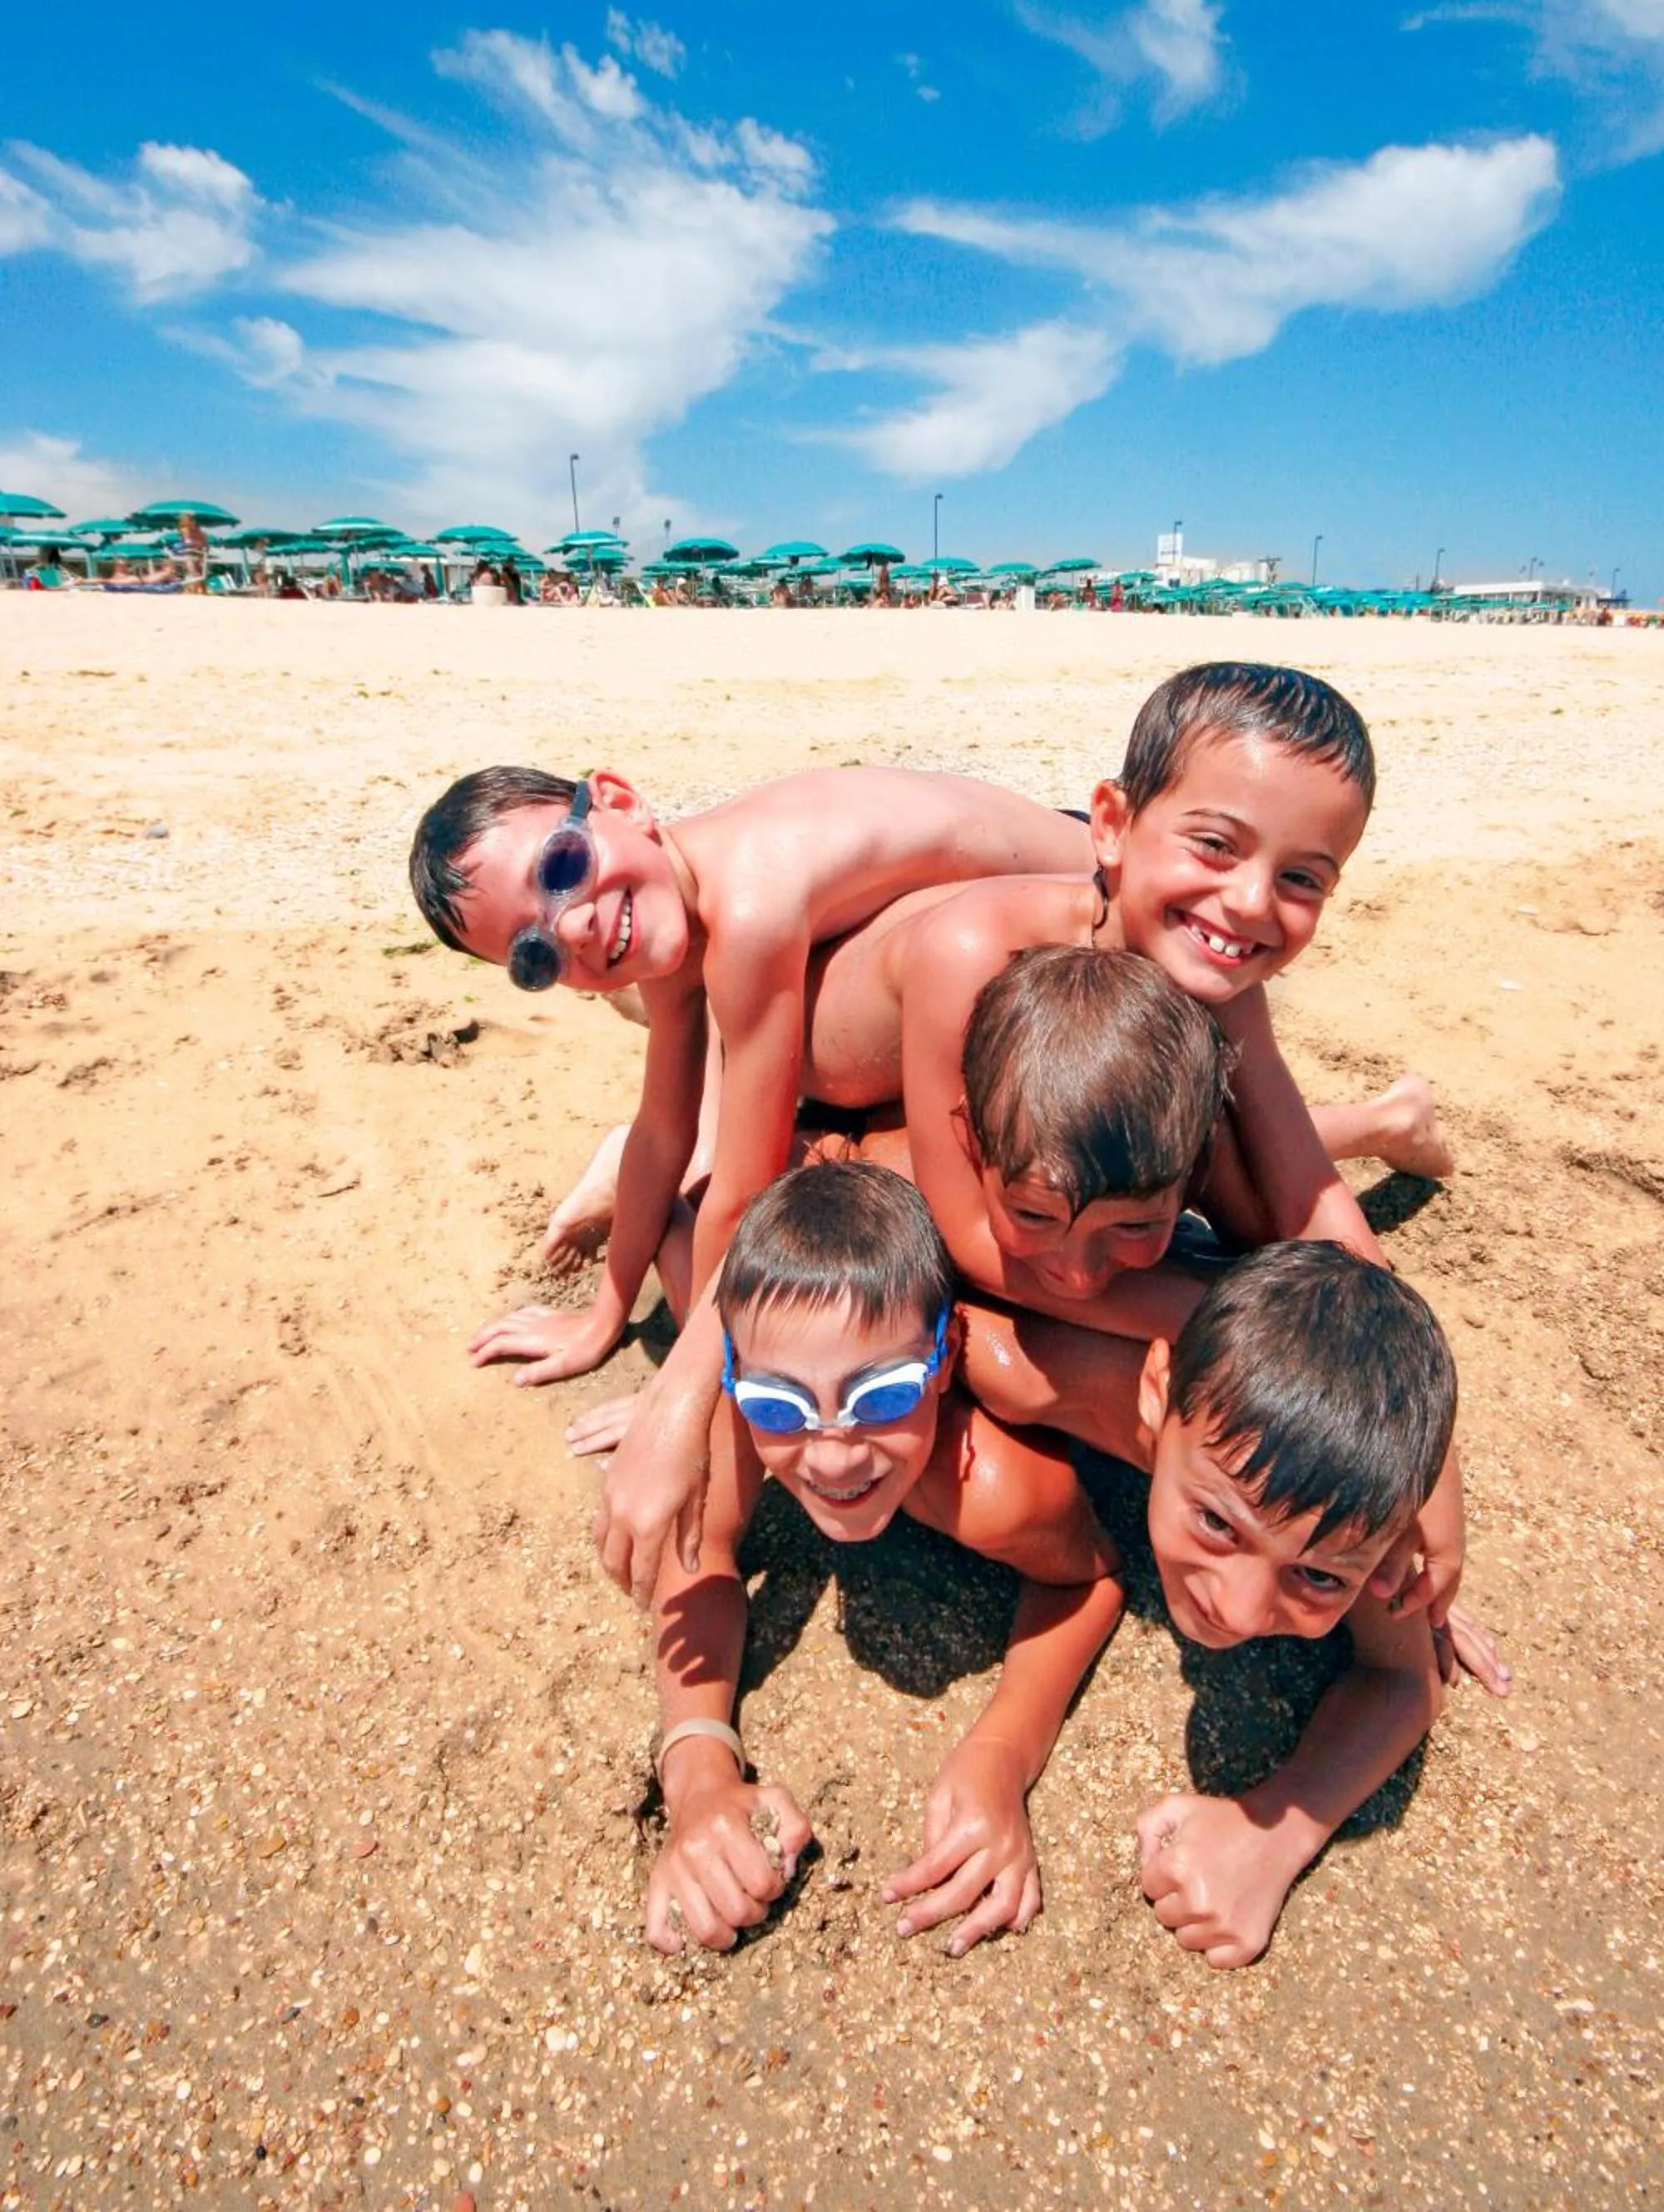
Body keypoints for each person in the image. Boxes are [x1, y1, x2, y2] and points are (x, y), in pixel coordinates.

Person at [592, 665, 1465, 1607]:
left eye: (1300, 878)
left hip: (1022, 1134)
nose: (1250, 902)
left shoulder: (1215, 964)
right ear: (1112, 827)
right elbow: (963, 1234)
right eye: (1216, 846)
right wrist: (679, 1400)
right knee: (1028, 1285)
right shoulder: (972, 954)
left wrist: (1423, 1455)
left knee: (1248, 1197)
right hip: (828, 1097)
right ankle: (1374, 1122)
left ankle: (1378, 1122)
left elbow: (1304, 1198)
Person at [408, 765, 1095, 1387]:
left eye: (560, 868)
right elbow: (659, 1127)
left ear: (619, 801)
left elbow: (741, 1197)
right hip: (1011, 888)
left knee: (804, 1046)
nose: (576, 924)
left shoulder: (749, 903)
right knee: (719, 1028)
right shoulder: (681, 893)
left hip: (1093, 890)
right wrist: (602, 1317)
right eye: (536, 953)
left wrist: (688, 1390)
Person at [955, 1240, 1495, 1967]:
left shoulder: (1357, 1517)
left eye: (1318, 1577)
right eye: (1215, 1523)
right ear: (1158, 1393)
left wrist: (1275, 1828)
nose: (1238, 1613)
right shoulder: (1028, 1373)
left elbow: (1404, 1679)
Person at [645, 1160, 1123, 1957]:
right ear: (736, 1380)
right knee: (676, 1239)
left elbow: (1088, 1577)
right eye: (778, 1404)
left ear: (943, 1360)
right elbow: (696, 1554)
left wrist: (1001, 1755)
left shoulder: (991, 1489)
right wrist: (697, 1772)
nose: (833, 1457)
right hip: (803, 1166)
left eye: (885, 1395)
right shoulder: (741, 1408)